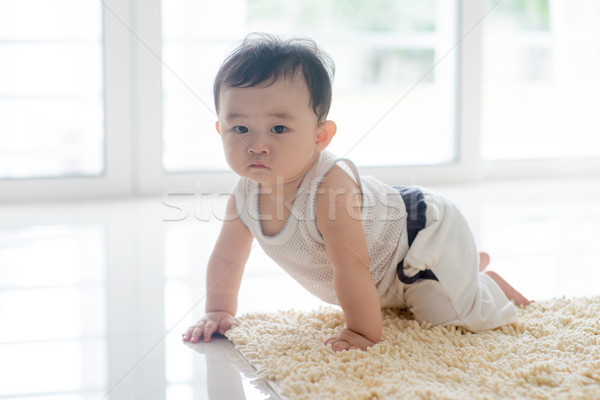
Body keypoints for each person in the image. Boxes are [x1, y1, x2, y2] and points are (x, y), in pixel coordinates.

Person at [182, 33, 531, 352]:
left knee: (449, 316)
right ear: (220, 130)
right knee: (402, 303)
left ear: (321, 136)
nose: (257, 145)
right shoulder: (244, 196)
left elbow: (351, 265)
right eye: (240, 128)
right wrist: (218, 310)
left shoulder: (329, 187)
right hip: (386, 271)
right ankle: (464, 267)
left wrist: (362, 332)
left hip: (422, 236)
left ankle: (480, 284)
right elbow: (228, 259)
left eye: (278, 128)